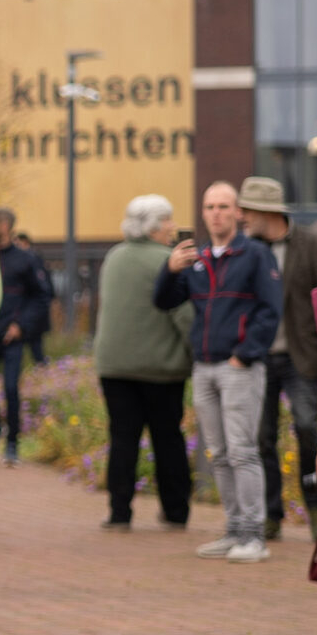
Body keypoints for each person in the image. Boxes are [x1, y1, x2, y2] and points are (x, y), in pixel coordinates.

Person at [156, 181, 281, 562]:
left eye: (225, 206)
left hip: (237, 368)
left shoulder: (256, 254)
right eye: (210, 207)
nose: (216, 213)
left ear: (238, 212)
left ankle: (254, 536)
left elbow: (270, 309)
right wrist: (169, 270)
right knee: (220, 454)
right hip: (205, 368)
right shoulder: (199, 258)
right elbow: (163, 301)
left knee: (243, 451)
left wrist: (244, 355)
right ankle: (234, 530)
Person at [237, 177, 317, 542]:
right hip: (257, 358)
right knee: (262, 438)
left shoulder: (312, 245)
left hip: (301, 357)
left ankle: (316, 508)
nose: (241, 216)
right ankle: (270, 515)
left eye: (247, 210)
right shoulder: (245, 249)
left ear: (268, 211)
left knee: (308, 428)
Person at [93, 195, 195, 533]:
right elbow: (184, 317)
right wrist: (198, 354)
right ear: (153, 227)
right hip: (160, 369)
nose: (172, 227)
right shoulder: (168, 261)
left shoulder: (114, 257)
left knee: (123, 439)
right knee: (167, 439)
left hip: (114, 367)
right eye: (168, 221)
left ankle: (119, 511)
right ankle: (175, 510)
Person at [0, 207, 53, 467]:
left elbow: (42, 296)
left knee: (11, 389)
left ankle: (12, 443)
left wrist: (20, 326)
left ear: (5, 225)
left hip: (13, 337)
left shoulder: (25, 259)